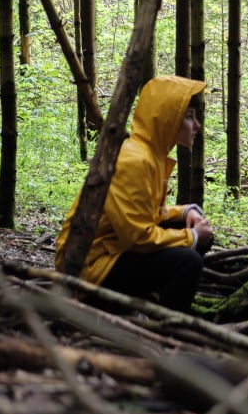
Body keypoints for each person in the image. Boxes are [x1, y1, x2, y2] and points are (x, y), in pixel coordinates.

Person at [55, 75, 215, 313]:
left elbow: (143, 214)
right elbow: (138, 237)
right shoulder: (135, 161)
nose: (197, 125)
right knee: (188, 261)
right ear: (167, 119)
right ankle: (165, 332)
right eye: (189, 117)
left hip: (113, 251)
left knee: (197, 233)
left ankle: (146, 305)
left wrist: (185, 212)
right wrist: (191, 236)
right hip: (89, 270)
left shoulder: (150, 155)